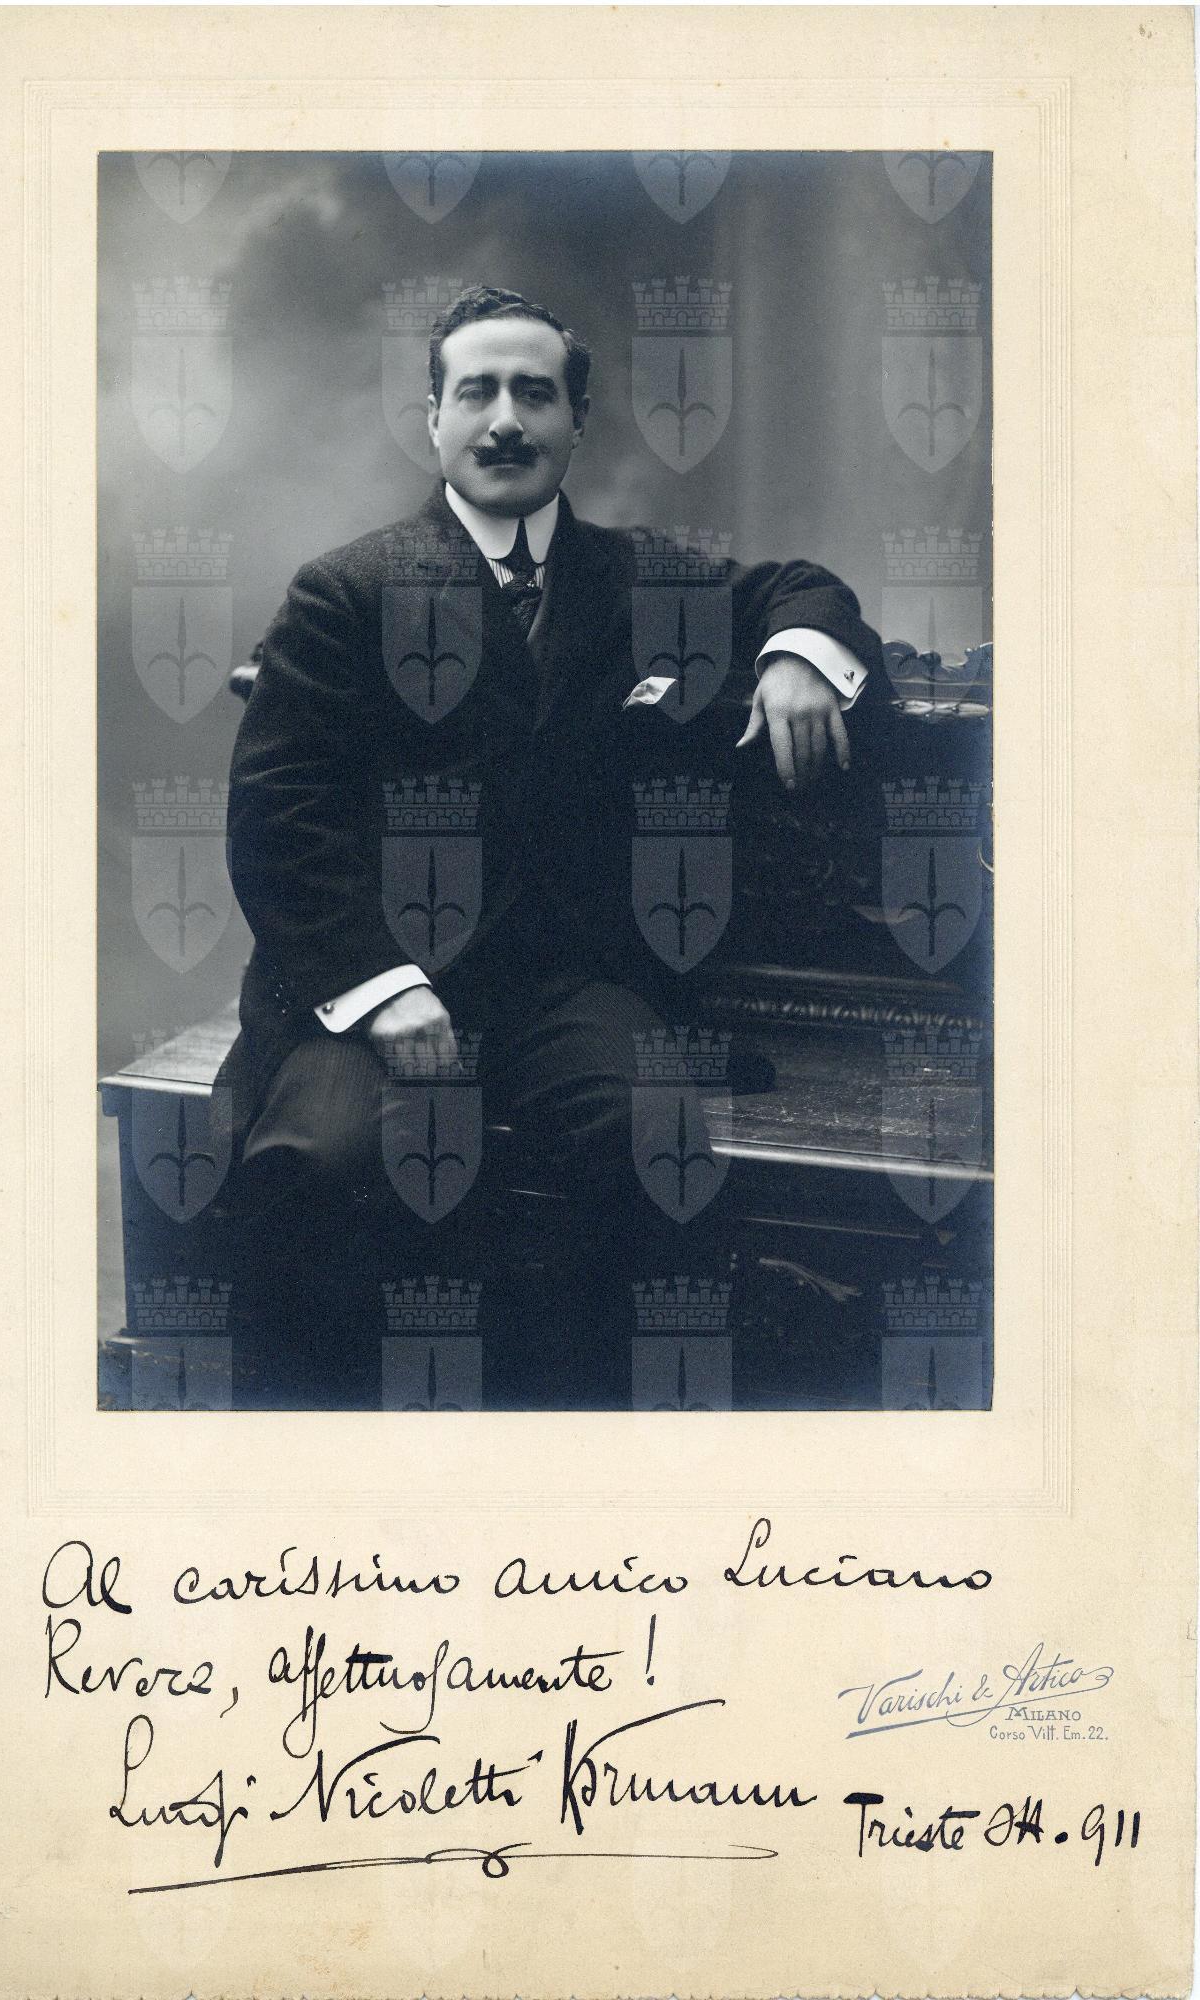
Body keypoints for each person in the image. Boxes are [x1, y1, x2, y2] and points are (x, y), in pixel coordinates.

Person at [220, 284, 886, 1408]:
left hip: (559, 987)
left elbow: (794, 588)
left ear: (576, 422)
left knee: (653, 1145)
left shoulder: (636, 580)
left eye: (534, 394)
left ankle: (593, 1432)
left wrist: (796, 655)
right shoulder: (345, 590)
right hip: (371, 984)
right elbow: (279, 818)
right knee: (320, 1167)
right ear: (433, 417)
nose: (504, 421)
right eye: (476, 392)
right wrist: (382, 987)